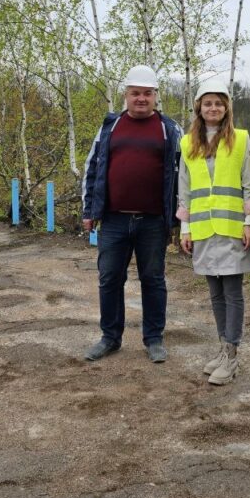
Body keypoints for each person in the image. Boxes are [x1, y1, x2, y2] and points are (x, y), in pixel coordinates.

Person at [81, 65, 182, 363]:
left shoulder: (170, 129)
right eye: (135, 93)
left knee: (153, 280)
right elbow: (92, 168)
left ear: (155, 96)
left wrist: (180, 219)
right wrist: (89, 210)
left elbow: (183, 176)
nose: (141, 98)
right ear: (125, 94)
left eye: (147, 93)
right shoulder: (110, 127)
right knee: (110, 279)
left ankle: (154, 339)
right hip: (114, 219)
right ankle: (110, 338)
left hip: (153, 222)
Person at [177, 77, 250, 385]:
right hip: (203, 229)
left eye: (219, 103)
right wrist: (185, 228)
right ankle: (223, 348)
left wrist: (249, 222)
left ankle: (232, 354)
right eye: (208, 103)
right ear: (199, 107)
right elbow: (185, 190)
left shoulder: (242, 139)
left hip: (233, 229)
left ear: (227, 108)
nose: (213, 108)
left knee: (232, 293)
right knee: (215, 293)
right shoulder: (187, 143)